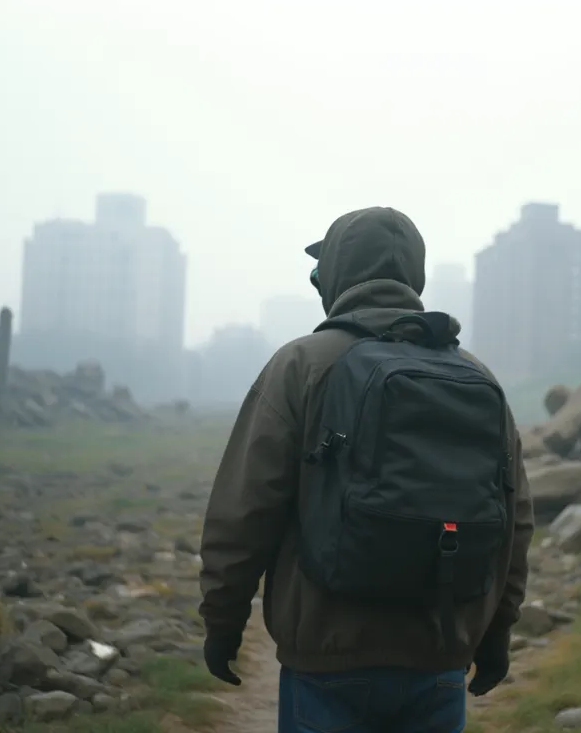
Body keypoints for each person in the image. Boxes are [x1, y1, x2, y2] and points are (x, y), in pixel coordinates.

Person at [199, 206, 535, 733]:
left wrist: (223, 622)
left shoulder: (301, 366)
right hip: (439, 659)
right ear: (414, 278)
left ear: (333, 277)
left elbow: (245, 510)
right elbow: (514, 521)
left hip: (327, 662)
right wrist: (496, 634)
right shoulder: (473, 374)